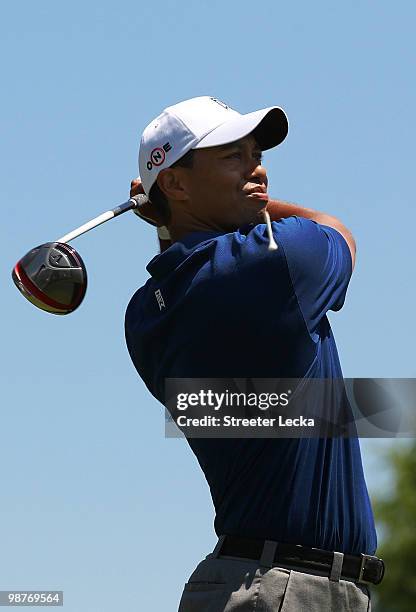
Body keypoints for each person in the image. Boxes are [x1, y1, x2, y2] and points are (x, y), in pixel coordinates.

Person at [124, 96, 384, 611]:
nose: (257, 168)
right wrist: (176, 213)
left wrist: (165, 214)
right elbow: (337, 229)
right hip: (286, 588)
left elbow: (185, 260)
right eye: (232, 157)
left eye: (254, 154)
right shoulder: (278, 259)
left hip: (252, 584)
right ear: (175, 183)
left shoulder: (144, 316)